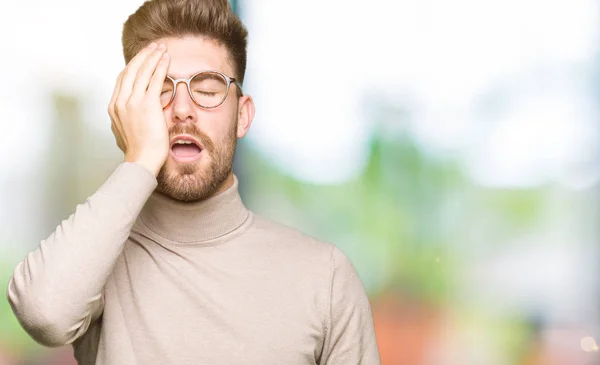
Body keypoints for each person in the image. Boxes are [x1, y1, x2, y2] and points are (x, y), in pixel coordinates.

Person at [6, 0, 380, 364]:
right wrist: (139, 160)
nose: (183, 109)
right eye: (161, 90)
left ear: (243, 116)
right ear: (130, 110)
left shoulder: (325, 277)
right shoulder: (98, 258)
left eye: (207, 88)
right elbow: (44, 315)